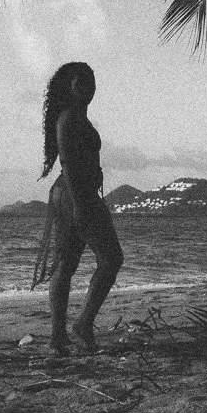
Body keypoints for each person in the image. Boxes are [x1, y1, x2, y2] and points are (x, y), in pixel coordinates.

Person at [32, 61, 123, 354]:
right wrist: (82, 206)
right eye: (80, 83)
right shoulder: (69, 118)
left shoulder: (76, 117)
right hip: (75, 195)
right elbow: (69, 164)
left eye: (91, 82)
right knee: (110, 259)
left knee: (68, 265)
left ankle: (60, 337)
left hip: (74, 195)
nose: (88, 87)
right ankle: (78, 326)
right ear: (69, 88)